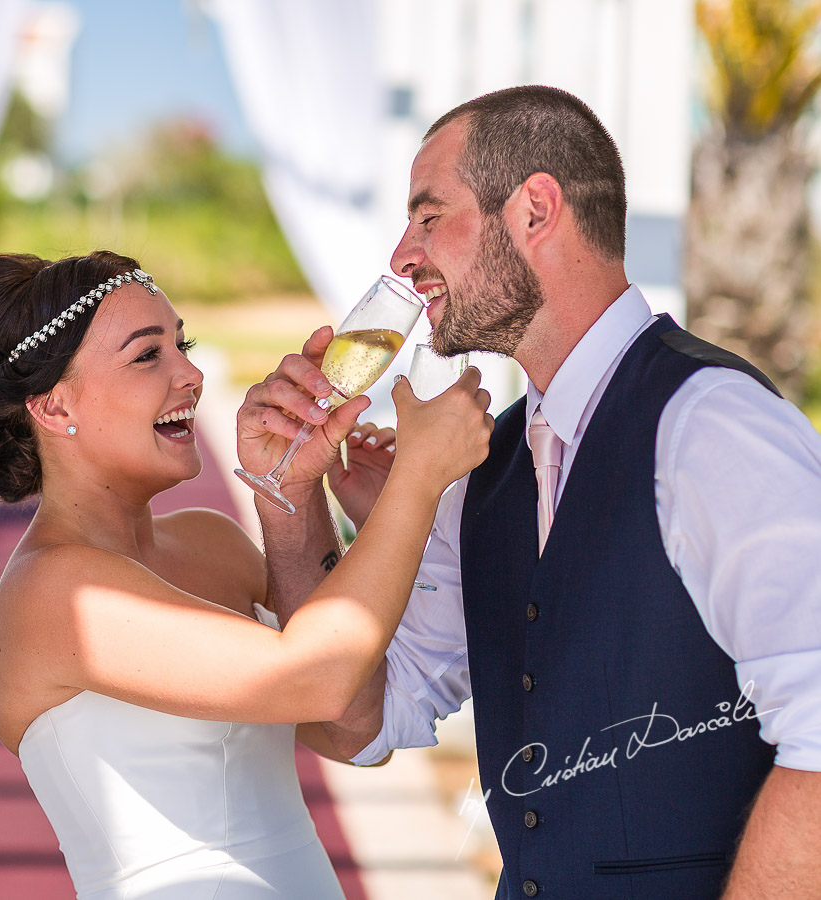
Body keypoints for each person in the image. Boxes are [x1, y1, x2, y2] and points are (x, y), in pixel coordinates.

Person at [240, 85, 821, 899]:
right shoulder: (486, 470)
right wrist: (291, 497)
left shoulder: (709, 425)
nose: (403, 256)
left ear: (536, 210)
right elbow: (346, 717)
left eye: (429, 217)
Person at [0, 249, 493, 899]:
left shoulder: (212, 543)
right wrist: (417, 481)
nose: (191, 373)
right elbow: (319, 677)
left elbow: (355, 729)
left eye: (181, 344)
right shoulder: (55, 591)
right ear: (53, 409)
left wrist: (293, 495)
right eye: (147, 355)